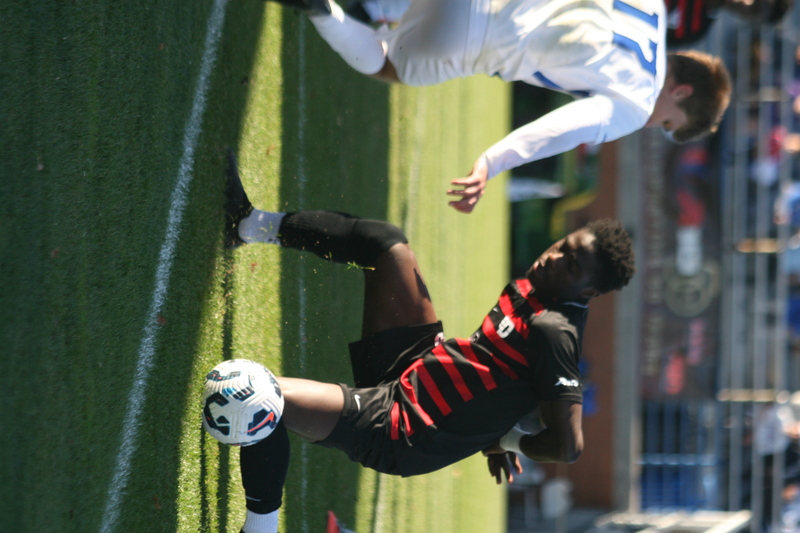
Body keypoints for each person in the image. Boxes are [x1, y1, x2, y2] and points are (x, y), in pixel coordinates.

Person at [219, 151, 636, 533]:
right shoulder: (538, 285)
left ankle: (259, 528)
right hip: (418, 366)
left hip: (406, 427)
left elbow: (568, 445)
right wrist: (498, 428)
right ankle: (250, 224)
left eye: (571, 265)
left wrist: (503, 440)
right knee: (386, 245)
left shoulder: (555, 331)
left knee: (257, 397)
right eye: (564, 246)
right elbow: (507, 382)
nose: (554, 258)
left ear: (588, 292)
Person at [268, 0, 732, 214]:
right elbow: (560, 129)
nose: (653, 123)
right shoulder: (636, 103)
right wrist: (492, 162)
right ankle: (324, 12)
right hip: (475, 36)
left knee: (393, 11)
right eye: (666, 121)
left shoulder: (652, 6)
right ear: (681, 92)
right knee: (389, 64)